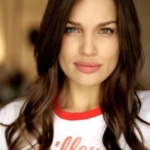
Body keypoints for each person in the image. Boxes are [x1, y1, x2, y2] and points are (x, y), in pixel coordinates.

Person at [0, 0, 150, 149]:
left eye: (105, 30)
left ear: (124, 38)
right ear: (54, 35)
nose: (88, 50)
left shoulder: (146, 115)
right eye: (72, 29)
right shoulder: (10, 122)